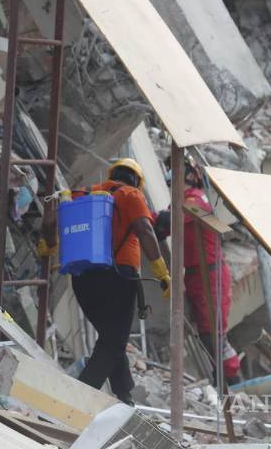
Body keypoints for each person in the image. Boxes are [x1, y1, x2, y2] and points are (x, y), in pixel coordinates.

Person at [70, 158, 171, 405]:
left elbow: (55, 221)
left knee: (112, 337)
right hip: (117, 277)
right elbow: (145, 230)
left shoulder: (83, 194)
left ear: (112, 175)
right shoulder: (131, 194)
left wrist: (48, 246)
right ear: (137, 181)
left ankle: (125, 396)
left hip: (82, 278)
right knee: (114, 339)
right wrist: (161, 272)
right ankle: (78, 398)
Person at [154, 160, 242, 386]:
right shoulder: (183, 201)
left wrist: (147, 215)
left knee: (214, 334)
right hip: (196, 275)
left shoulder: (196, 199)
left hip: (209, 275)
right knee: (206, 334)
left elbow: (169, 220)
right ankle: (223, 381)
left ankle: (232, 382)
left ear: (190, 176)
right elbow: (164, 227)